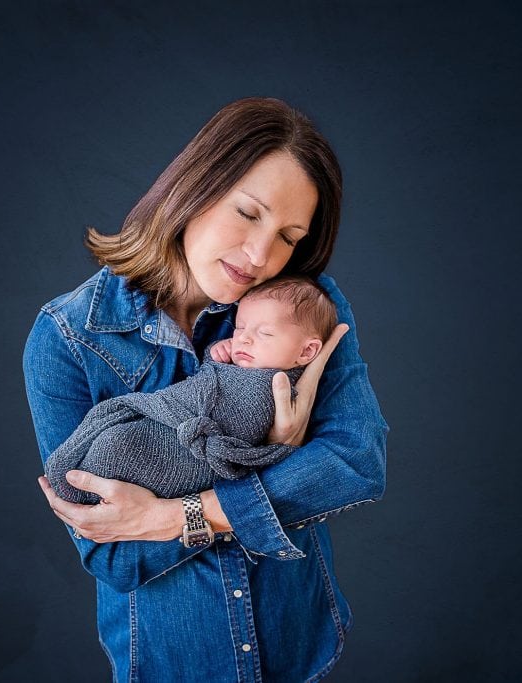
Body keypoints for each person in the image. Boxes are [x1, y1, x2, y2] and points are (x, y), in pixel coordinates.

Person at [23, 97, 388, 682]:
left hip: (298, 649)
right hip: (171, 664)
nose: (261, 256)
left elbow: (356, 461)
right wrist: (280, 447)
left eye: (289, 236)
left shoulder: (302, 310)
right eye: (248, 213)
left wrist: (173, 515)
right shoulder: (67, 338)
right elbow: (106, 550)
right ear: (193, 188)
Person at [44, 275, 338, 505]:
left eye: (264, 333)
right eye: (240, 328)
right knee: (118, 437)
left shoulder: (285, 384)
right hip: (175, 421)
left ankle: (101, 470)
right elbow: (209, 381)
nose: (244, 341)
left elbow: (241, 419)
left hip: (196, 449)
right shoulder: (61, 331)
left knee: (120, 446)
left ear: (306, 351)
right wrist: (217, 355)